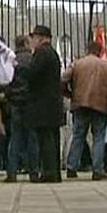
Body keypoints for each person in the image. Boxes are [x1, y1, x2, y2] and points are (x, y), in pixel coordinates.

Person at [63, 41, 107, 181]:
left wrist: (69, 94)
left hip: (80, 104)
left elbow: (62, 79)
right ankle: (97, 169)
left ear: (87, 50)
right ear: (100, 51)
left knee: (78, 135)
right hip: (101, 106)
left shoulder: (77, 64)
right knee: (99, 137)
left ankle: (71, 166)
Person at [27, 25, 64, 183]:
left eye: (34, 37)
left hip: (43, 103)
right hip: (53, 102)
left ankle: (49, 172)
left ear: (41, 38)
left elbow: (33, 75)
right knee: (52, 138)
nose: (32, 41)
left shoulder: (41, 53)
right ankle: (54, 172)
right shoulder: (53, 54)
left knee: (46, 138)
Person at [5, 35, 38, 182]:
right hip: (30, 102)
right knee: (32, 138)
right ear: (25, 43)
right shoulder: (33, 59)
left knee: (15, 138)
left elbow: (5, 82)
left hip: (15, 102)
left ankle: (11, 173)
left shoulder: (10, 60)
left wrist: (9, 96)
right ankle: (34, 172)